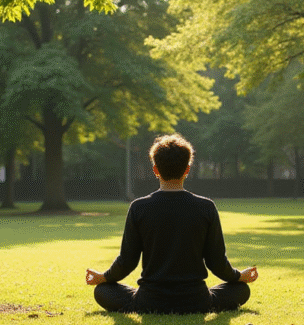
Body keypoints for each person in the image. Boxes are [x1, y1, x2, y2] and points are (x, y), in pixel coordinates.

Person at [86, 133, 258, 314]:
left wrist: (104, 278)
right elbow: (216, 262)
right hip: (196, 300)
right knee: (241, 289)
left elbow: (127, 261)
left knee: (103, 291)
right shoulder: (206, 207)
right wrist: (239, 276)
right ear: (187, 169)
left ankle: (142, 303)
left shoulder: (139, 207)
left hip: (149, 300)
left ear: (155, 170)